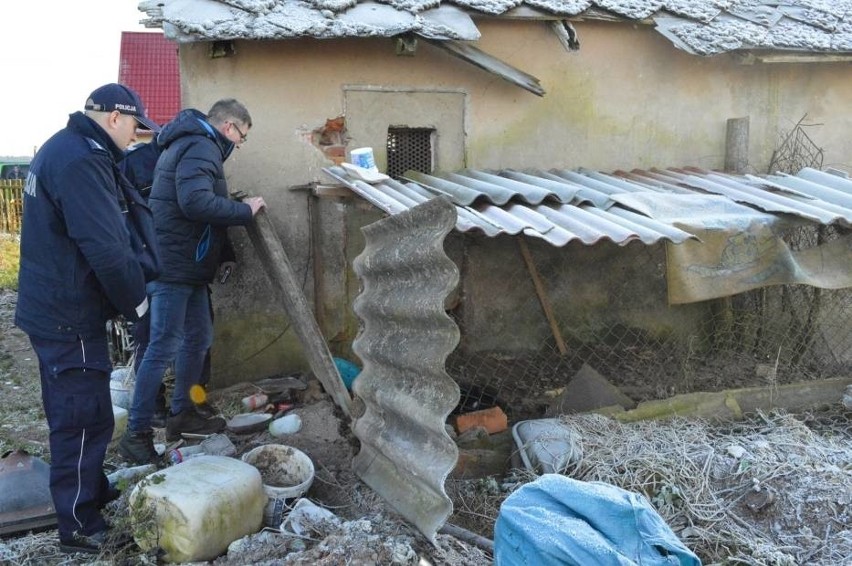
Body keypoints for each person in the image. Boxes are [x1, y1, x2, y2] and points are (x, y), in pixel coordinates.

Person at [14, 83, 160, 554]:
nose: (136, 138)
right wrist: (137, 304)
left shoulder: (64, 147)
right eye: (135, 128)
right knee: (80, 417)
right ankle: (79, 523)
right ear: (115, 118)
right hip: (67, 313)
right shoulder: (81, 161)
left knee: (86, 407)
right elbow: (106, 247)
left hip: (53, 305)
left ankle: (91, 493)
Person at [119, 99, 265, 464]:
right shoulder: (201, 145)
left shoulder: (191, 143)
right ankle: (136, 434)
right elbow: (195, 202)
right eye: (242, 137)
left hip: (187, 264)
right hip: (173, 265)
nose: (239, 145)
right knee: (163, 345)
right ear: (230, 127)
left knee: (199, 337)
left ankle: (183, 413)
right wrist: (244, 211)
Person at [120, 139, 227, 426]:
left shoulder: (196, 157)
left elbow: (208, 217)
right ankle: (142, 422)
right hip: (157, 267)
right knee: (157, 343)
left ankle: (185, 410)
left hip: (190, 269)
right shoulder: (137, 161)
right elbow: (121, 218)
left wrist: (224, 254)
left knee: (198, 338)